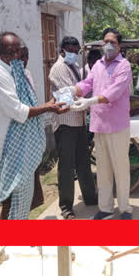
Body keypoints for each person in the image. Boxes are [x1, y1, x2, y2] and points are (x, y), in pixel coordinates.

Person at [0, 32, 68, 219]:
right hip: (13, 146)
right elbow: (18, 111)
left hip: (27, 145)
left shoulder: (19, 72)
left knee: (25, 200)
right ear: (0, 53)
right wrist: (47, 107)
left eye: (18, 51)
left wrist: (49, 105)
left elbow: (30, 103)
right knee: (12, 201)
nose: (15, 56)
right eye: (9, 52)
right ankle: (4, 244)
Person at [69, 28, 134, 220]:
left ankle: (124, 208)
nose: (109, 45)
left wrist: (90, 101)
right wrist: (72, 89)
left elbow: (115, 92)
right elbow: (87, 83)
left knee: (121, 168)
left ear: (119, 45)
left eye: (113, 42)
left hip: (117, 125)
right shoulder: (97, 65)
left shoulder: (124, 66)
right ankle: (105, 208)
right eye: (106, 41)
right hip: (99, 124)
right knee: (103, 169)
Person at [49, 36, 97, 220]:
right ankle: (66, 207)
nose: (74, 55)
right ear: (62, 51)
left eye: (77, 52)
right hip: (65, 123)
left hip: (78, 121)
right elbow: (69, 96)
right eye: (71, 51)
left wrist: (87, 101)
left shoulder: (74, 67)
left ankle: (90, 197)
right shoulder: (58, 68)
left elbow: (81, 89)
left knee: (83, 163)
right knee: (67, 167)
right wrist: (90, 102)